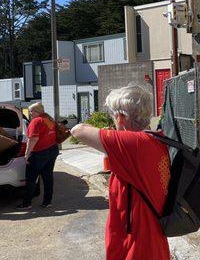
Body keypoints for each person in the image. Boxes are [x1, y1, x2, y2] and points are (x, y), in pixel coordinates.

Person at [71, 85, 171, 260]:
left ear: (121, 117)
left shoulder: (132, 144)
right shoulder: (156, 139)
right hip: (152, 242)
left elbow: (77, 130)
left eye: (113, 116)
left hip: (136, 248)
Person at [18, 102, 59, 210]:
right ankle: (47, 202)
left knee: (31, 179)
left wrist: (26, 155)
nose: (30, 114)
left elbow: (32, 140)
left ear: (37, 111)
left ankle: (27, 203)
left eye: (31, 111)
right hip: (52, 150)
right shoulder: (48, 119)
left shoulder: (36, 121)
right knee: (48, 177)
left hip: (39, 153)